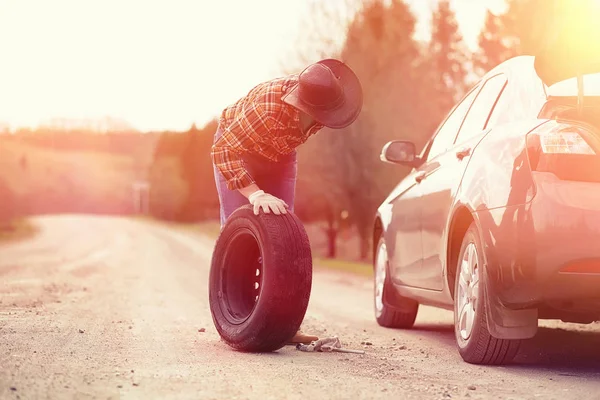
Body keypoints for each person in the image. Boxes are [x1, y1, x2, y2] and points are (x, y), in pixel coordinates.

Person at [211, 58, 363, 344]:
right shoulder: (267, 110)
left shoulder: (323, 95)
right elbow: (222, 151)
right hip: (239, 149)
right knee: (239, 228)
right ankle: (234, 320)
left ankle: (283, 324)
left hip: (280, 153)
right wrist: (255, 193)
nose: (323, 123)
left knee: (284, 235)